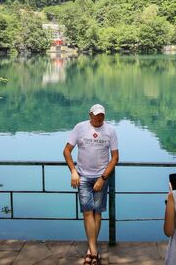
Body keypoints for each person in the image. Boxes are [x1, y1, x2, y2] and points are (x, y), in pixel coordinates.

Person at [63, 104, 119, 265]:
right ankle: (93, 250)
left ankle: (91, 251)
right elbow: (67, 151)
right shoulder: (80, 128)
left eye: (101, 115)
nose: (99, 118)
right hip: (83, 177)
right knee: (87, 212)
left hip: (102, 176)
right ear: (90, 115)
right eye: (96, 115)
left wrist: (103, 177)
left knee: (97, 212)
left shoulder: (110, 131)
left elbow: (115, 157)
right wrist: (73, 171)